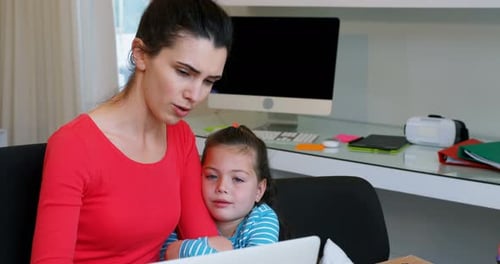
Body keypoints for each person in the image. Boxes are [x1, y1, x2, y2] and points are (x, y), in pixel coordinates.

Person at [30, 0, 233, 263]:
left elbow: (203, 243)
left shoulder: (180, 136)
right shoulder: (74, 145)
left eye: (208, 81)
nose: (195, 95)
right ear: (140, 54)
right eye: (183, 72)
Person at [161, 124, 280, 260]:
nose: (222, 187)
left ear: (259, 190)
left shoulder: (262, 219)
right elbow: (165, 255)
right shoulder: (184, 214)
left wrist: (186, 249)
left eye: (237, 179)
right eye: (212, 176)